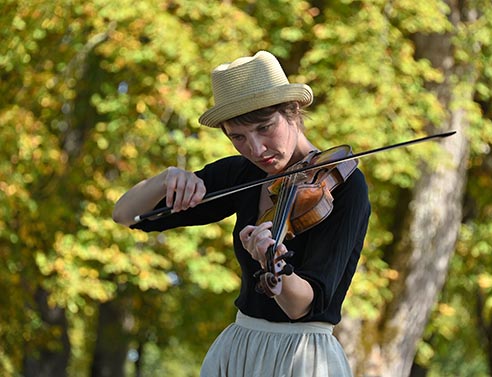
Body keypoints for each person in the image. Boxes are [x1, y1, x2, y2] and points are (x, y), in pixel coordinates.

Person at [112, 50, 371, 377]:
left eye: (265, 128)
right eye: (238, 137)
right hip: (239, 350)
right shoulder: (242, 174)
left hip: (303, 358)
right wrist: (166, 180)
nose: (256, 149)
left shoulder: (344, 187)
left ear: (292, 111)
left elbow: (300, 306)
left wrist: (271, 262)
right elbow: (125, 214)